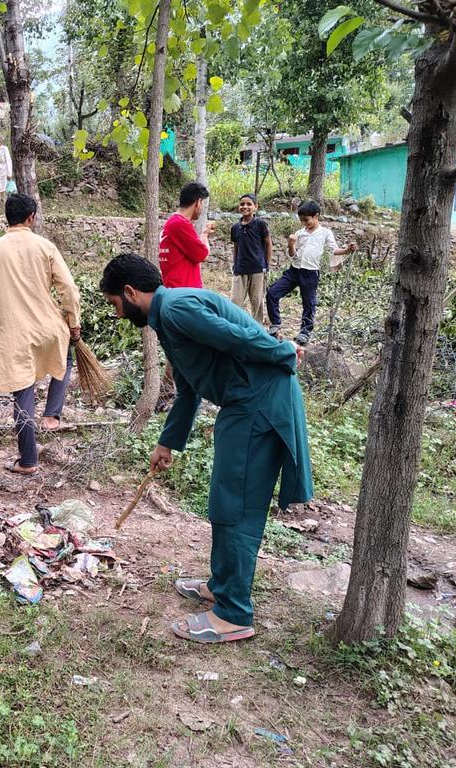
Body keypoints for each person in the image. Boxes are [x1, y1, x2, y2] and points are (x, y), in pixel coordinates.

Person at [99, 253, 312, 643]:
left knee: (236, 506)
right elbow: (188, 390)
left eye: (115, 304)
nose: (117, 314)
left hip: (258, 403)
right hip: (243, 403)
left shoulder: (176, 309)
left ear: (130, 292)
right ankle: (221, 586)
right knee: (224, 501)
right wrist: (167, 443)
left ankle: (233, 614)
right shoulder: (168, 317)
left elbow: (236, 337)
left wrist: (283, 351)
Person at [0, 194, 81, 474]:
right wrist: (74, 321)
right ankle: (52, 414)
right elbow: (68, 288)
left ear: (7, 218)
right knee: (65, 359)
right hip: (50, 328)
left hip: (15, 335)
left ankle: (28, 460)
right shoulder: (45, 246)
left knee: (23, 392)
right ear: (31, 217)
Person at [267, 200, 356, 345]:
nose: (304, 223)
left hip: (310, 273)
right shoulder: (299, 233)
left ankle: (305, 332)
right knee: (272, 293)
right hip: (294, 271)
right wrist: (291, 244)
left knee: (309, 303)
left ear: (316, 216)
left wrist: (347, 250)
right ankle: (275, 324)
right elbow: (292, 255)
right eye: (301, 220)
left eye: (306, 220)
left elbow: (334, 250)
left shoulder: (325, 233)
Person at [159, 182, 214, 288]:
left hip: (177, 289)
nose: (202, 207)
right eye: (202, 203)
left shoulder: (173, 222)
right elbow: (203, 255)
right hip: (184, 292)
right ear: (198, 202)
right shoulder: (181, 224)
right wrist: (204, 235)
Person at [229, 193, 272, 323]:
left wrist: (266, 264)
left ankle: (257, 327)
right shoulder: (235, 227)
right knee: (235, 301)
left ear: (255, 207)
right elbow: (236, 247)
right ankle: (235, 325)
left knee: (257, 301)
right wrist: (235, 264)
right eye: (242, 204)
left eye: (249, 204)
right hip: (240, 269)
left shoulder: (260, 224)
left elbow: (268, 244)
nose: (245, 206)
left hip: (258, 269)